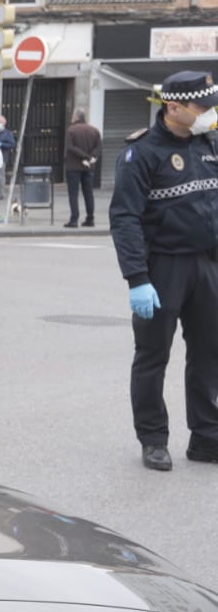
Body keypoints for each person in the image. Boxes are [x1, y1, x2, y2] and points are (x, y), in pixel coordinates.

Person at [107, 71, 218, 472]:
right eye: (202, 106)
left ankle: (207, 437)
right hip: (162, 268)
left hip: (208, 264)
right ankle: (153, 438)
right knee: (153, 356)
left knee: (209, 355)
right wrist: (137, 278)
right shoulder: (142, 153)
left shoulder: (210, 144)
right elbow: (124, 219)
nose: (209, 113)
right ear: (174, 107)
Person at [63, 109, 102, 228]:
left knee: (73, 194)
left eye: (72, 115)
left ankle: (74, 219)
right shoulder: (94, 130)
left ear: (76, 117)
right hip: (89, 166)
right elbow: (98, 146)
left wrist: (84, 156)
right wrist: (92, 157)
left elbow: (70, 147)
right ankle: (90, 218)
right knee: (88, 193)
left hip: (73, 166)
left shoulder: (71, 130)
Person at [0, 115, 17, 199]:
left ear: (4, 123)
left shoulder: (8, 133)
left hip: (2, 157)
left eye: (0, 122)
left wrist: (2, 144)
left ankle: (1, 193)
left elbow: (12, 144)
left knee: (0, 176)